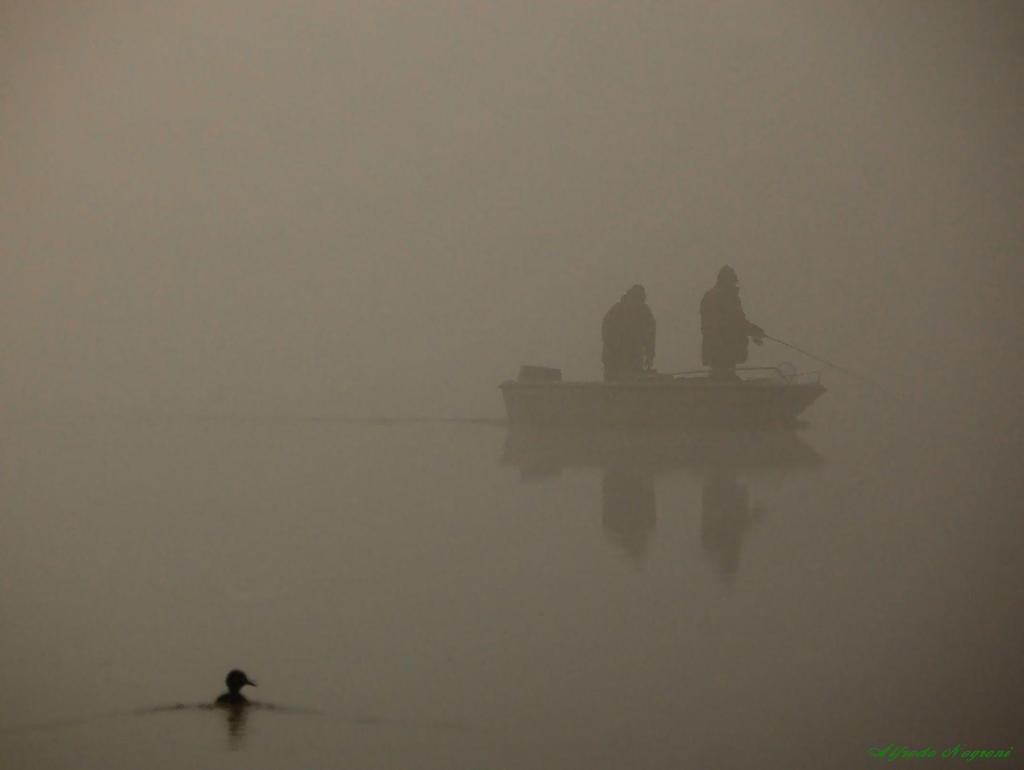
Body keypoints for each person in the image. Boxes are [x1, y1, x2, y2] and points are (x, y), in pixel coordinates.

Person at [700, 266, 764, 380]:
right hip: (721, 351)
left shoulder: (725, 296)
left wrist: (753, 330)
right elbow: (730, 323)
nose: (734, 284)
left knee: (724, 377)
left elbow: (737, 321)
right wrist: (752, 330)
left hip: (725, 350)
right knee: (722, 378)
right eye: (732, 281)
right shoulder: (719, 297)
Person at [602, 284, 656, 381]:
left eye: (641, 300)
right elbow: (607, 333)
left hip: (635, 359)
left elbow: (650, 335)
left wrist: (650, 355)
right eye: (637, 299)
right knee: (615, 385)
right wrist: (617, 347)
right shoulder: (617, 311)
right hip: (615, 361)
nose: (639, 303)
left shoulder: (645, 312)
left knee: (635, 383)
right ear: (631, 297)